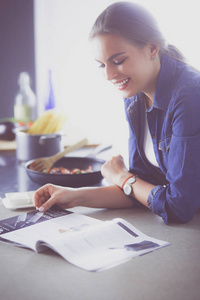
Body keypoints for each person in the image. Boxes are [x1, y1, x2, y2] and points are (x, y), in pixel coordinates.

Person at [34, 1, 200, 224]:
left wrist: (121, 176)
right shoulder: (134, 94)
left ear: (152, 48)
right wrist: (74, 196)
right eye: (102, 65)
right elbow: (140, 185)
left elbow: (177, 207)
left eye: (118, 61)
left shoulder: (189, 96)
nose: (109, 75)